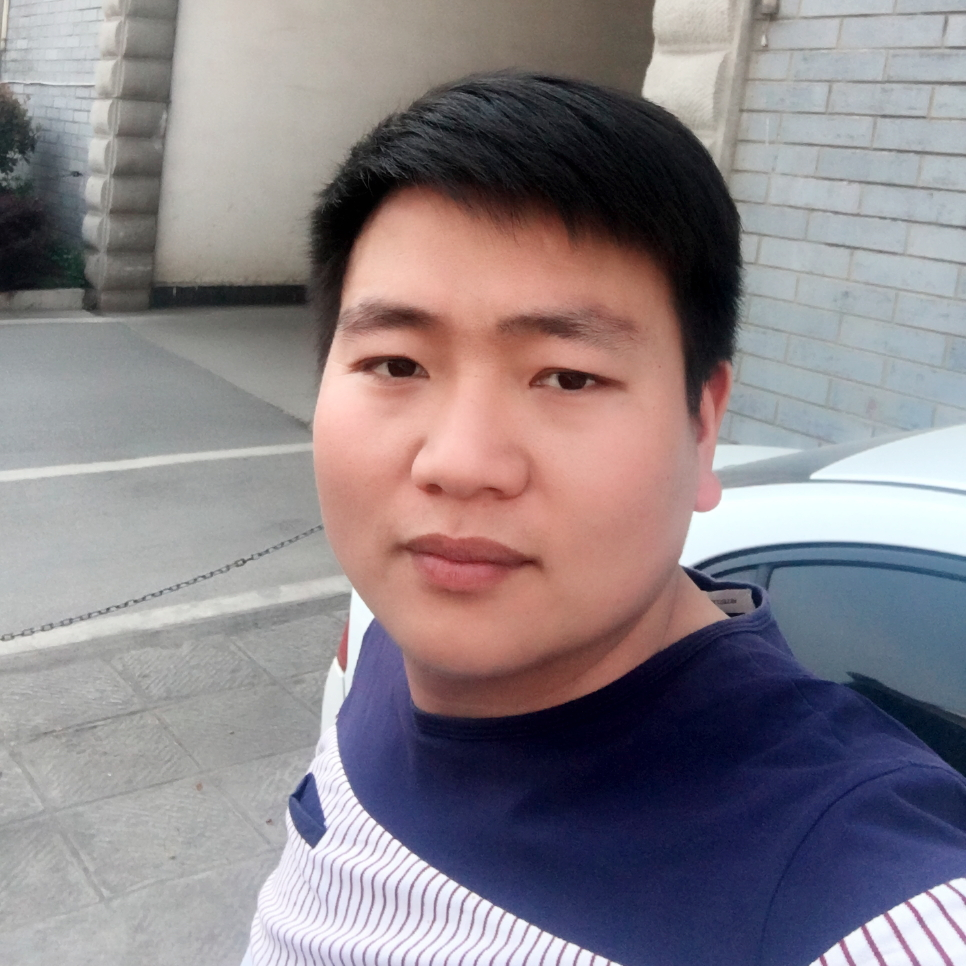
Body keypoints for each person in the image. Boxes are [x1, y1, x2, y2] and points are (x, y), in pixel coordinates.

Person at [244, 73, 966, 966]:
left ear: (702, 425)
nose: (460, 463)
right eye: (397, 364)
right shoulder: (400, 636)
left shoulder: (857, 897)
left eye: (568, 377)